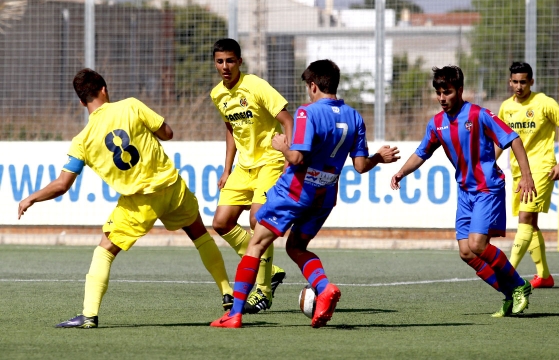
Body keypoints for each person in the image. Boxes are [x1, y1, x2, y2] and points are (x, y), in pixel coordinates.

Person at [17, 69, 233, 328]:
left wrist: (31, 198)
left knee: (105, 250)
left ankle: (89, 314)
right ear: (104, 90)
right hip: (171, 187)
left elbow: (62, 185)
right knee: (200, 234)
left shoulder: (82, 141)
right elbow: (167, 133)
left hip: (138, 202)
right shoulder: (131, 105)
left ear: (81, 101)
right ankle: (227, 293)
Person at [210, 59, 400, 328]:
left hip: (296, 191)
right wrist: (378, 158)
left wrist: (281, 147)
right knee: (296, 246)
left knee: (256, 243)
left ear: (313, 86)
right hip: (325, 196)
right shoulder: (354, 116)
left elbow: (297, 158)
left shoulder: (306, 113)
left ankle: (235, 314)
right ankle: (323, 289)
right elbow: (359, 166)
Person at [390, 65, 536, 317]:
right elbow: (421, 153)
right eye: (438, 93)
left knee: (478, 245)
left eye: (446, 92)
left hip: (487, 188)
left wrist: (526, 176)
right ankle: (510, 293)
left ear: (459, 90)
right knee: (466, 252)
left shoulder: (479, 114)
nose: (442, 98)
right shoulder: (437, 123)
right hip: (465, 192)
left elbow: (513, 139)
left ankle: (520, 284)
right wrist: (401, 171)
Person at [210, 38, 294, 314]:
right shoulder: (217, 94)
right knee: (221, 223)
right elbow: (231, 130)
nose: (225, 66)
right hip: (244, 168)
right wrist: (226, 169)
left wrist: (289, 158)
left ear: (240, 62)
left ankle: (264, 292)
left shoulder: (255, 85)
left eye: (230, 61)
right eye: (220, 61)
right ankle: (268, 268)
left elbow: (287, 119)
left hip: (270, 161)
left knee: (258, 219)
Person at [497, 62, 559, 289]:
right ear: (509, 82)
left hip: (541, 169)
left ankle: (507, 271)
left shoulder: (544, 103)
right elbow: (501, 141)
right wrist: (488, 164)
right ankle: (544, 275)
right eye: (515, 82)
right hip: (518, 171)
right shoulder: (505, 107)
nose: (519, 86)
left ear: (531, 81)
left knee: (524, 219)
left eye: (523, 82)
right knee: (530, 223)